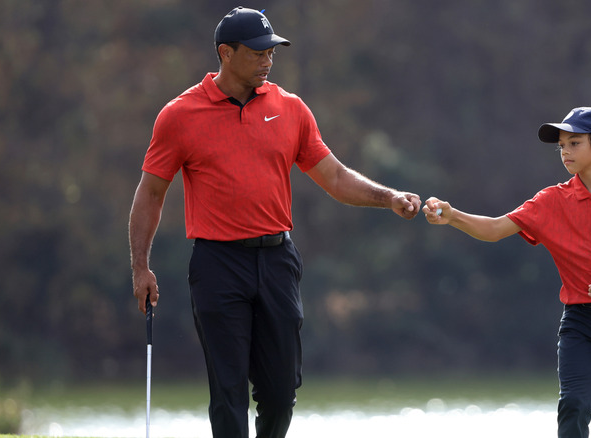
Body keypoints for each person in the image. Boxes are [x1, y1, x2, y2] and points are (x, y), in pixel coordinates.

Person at [128, 7, 421, 438]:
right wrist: (140, 266)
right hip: (217, 264)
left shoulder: (291, 109)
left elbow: (335, 176)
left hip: (278, 261)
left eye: (273, 51)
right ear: (226, 53)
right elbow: (151, 193)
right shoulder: (180, 115)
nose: (269, 59)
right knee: (228, 391)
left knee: (281, 392)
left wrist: (389, 197)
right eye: (258, 51)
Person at [422, 107, 591, 438]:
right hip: (579, 322)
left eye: (574, 144)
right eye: (561, 145)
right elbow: (495, 228)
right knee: (573, 405)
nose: (564, 152)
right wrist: (453, 215)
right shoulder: (551, 200)